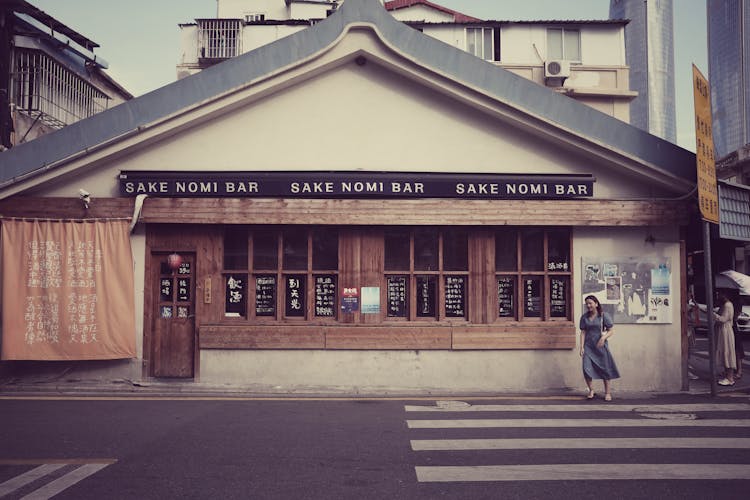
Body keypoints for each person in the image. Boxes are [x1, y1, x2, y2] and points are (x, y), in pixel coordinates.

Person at [579, 295, 620, 401]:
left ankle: (607, 393)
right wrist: (581, 347)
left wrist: (603, 338)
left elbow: (611, 330)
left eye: (590, 303)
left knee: (605, 369)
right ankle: (591, 390)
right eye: (587, 303)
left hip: (601, 347)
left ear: (596, 304)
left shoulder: (603, 316)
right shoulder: (584, 317)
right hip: (588, 347)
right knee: (586, 369)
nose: (588, 305)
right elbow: (583, 332)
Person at [714, 293, 737, 386]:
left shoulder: (727, 305)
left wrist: (714, 315)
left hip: (725, 330)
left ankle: (730, 378)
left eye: (720, 294)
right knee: (725, 352)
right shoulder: (725, 305)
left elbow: (723, 319)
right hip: (724, 330)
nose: (718, 296)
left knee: (727, 352)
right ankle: (728, 376)